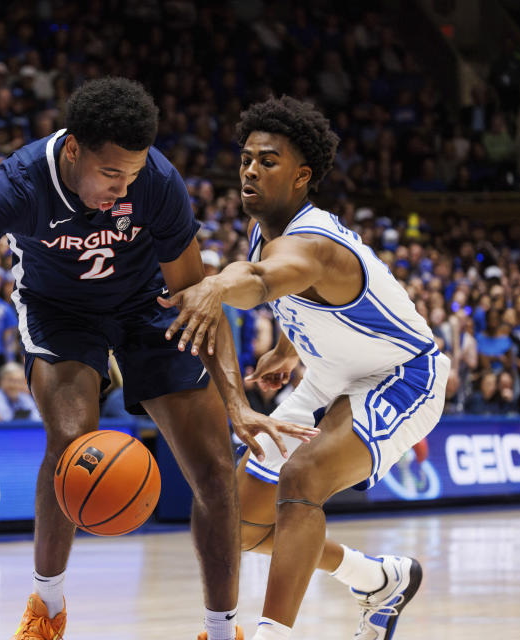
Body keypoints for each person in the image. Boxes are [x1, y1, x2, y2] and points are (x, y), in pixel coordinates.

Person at [0, 77, 314, 640]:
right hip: (59, 311)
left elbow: (197, 297)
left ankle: (221, 627)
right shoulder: (18, 184)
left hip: (147, 307)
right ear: (73, 151)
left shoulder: (157, 181)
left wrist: (236, 402)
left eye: (131, 175)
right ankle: (47, 607)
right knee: (70, 444)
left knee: (214, 469)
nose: (122, 187)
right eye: (111, 174)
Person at [161, 96, 450, 640]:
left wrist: (217, 284)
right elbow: (308, 297)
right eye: (246, 158)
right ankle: (377, 578)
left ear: (302, 177)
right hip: (327, 377)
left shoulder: (316, 243)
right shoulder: (265, 229)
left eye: (267, 161)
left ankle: (274, 633)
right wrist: (289, 348)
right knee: (241, 525)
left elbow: (267, 281)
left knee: (303, 477)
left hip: (404, 376)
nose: (250, 169)